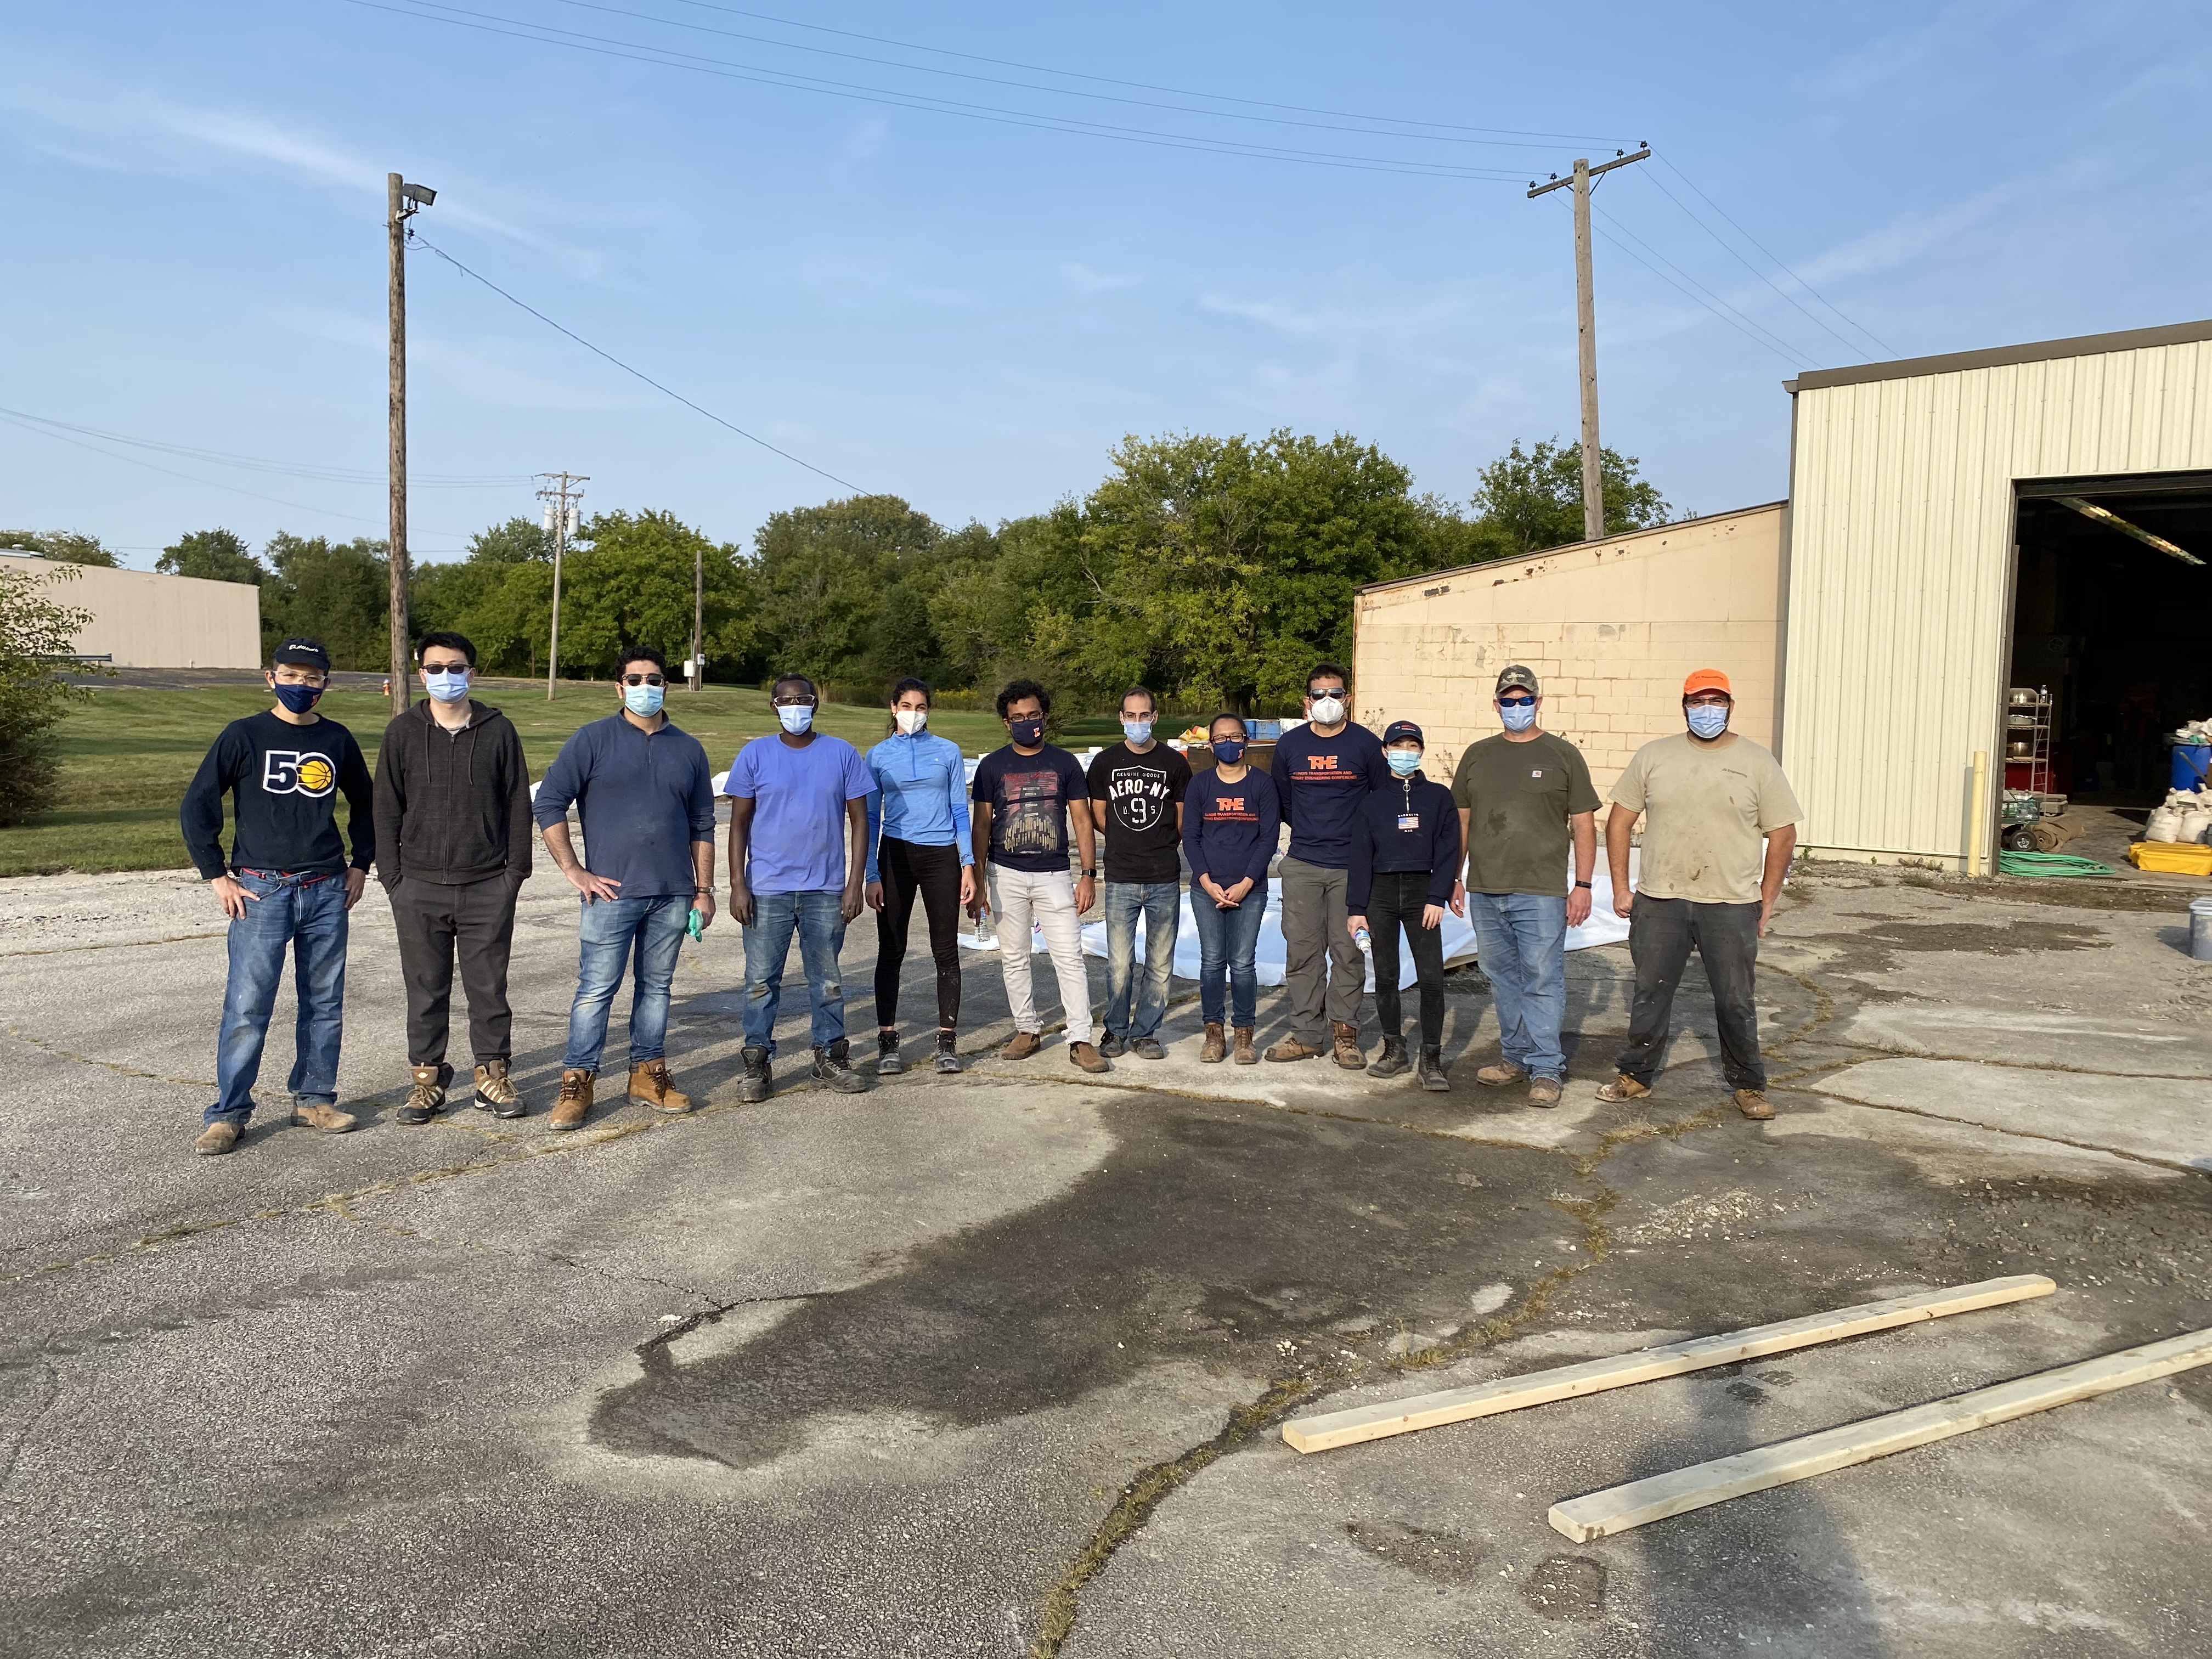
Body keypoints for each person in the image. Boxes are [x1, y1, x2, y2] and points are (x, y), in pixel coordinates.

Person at [179, 636, 373, 1155]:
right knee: (248, 1005)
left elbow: (367, 804)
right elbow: (199, 804)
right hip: (260, 890)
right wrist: (217, 875)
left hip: (327, 888)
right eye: (290, 675)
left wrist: (360, 865)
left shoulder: (337, 739)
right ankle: (229, 1113)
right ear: (271, 678)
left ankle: (314, 1100)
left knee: (324, 1002)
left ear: (326, 685)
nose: (300, 686)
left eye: (312, 679)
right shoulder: (244, 736)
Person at [1598, 668, 1802, 1120]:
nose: (1707, 711)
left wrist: (1766, 902)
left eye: (1716, 702)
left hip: (1730, 904)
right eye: (1697, 702)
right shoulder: (1654, 756)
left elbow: (1783, 834)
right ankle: (1636, 1075)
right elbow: (1618, 822)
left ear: (1730, 707)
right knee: (1651, 992)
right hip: (1660, 900)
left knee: (1735, 999)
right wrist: (1621, 888)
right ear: (1684, 705)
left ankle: (1749, 1084)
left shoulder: (1757, 761)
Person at [533, 645, 716, 1132]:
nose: (645, 688)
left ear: (666, 685)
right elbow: (549, 803)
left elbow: (703, 822)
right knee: (595, 990)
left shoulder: (689, 748)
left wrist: (705, 889)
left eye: (653, 679)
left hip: (674, 893)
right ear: (619, 688)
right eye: (634, 680)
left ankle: (646, 1074)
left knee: (656, 988)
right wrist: (575, 870)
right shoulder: (591, 740)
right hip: (610, 894)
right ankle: (578, 1080)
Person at [373, 630, 535, 1125]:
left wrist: (514, 875)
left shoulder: (498, 730)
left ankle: (492, 1075)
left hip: (488, 884)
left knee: (488, 988)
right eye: (437, 668)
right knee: (426, 988)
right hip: (418, 886)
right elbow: (385, 811)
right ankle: (427, 1082)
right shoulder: (402, 732)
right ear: (421, 674)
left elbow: (516, 806)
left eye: (457, 667)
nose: (447, 676)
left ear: (472, 672)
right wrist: (393, 880)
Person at [1448, 665, 1600, 1109]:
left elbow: (1584, 824)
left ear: (1538, 702)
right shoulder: (1478, 755)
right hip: (1486, 888)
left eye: (1525, 700)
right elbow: (1462, 821)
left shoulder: (1563, 755)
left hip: (1541, 892)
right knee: (1501, 977)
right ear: (1496, 705)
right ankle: (1515, 1057)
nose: (1517, 708)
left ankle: (1547, 1068)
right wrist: (1454, 878)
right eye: (1509, 701)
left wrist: (1584, 884)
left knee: (1542, 978)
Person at [727, 673, 874, 1102]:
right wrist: (738, 884)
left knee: (827, 981)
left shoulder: (842, 754)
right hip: (767, 888)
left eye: (803, 699)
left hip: (826, 889)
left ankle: (830, 1056)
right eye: (786, 700)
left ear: (815, 704)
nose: (796, 707)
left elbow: (861, 822)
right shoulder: (755, 755)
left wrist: (854, 884)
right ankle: (757, 1062)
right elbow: (737, 825)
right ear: (774, 706)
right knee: (760, 980)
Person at [967, 679, 1109, 1073]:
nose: (1026, 723)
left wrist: (1088, 874)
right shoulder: (991, 766)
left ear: (1044, 717)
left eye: (1032, 716)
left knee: (1070, 957)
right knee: (1014, 957)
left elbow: (1081, 820)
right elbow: (981, 826)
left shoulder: (1064, 763)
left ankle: (1081, 1037)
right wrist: (977, 881)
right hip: (1004, 873)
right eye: (1017, 718)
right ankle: (1027, 1029)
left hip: (1054, 874)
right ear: (1005, 723)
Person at [1267, 661, 1386, 1068]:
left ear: (1347, 699)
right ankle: (1306, 1035)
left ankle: (1345, 1035)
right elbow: (1284, 801)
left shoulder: (1366, 746)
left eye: (1335, 694)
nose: (1328, 701)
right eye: (1319, 695)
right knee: (1303, 954)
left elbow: (1380, 801)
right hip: (1302, 863)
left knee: (1348, 953)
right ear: (1307, 702)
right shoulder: (1290, 746)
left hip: (1352, 868)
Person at [865, 677, 975, 1077]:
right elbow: (869, 819)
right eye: (907, 706)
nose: (915, 713)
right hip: (894, 853)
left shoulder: (947, 751)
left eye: (922, 707)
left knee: (944, 949)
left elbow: (960, 811)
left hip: (941, 854)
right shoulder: (877, 756)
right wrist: (870, 874)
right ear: (894, 708)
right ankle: (888, 1041)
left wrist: (968, 865)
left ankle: (947, 1040)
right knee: (891, 949)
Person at [1345, 721, 1462, 1091]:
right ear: (1385, 751)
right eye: (1398, 745)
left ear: (1422, 751)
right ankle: (1394, 1048)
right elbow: (1360, 857)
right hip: (1380, 892)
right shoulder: (1373, 802)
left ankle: (1432, 1058)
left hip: (1421, 892)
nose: (1405, 752)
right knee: (1387, 975)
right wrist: (1356, 908)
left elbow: (1448, 850)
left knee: (1430, 977)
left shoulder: (1439, 797)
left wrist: (1437, 896)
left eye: (1413, 745)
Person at [1086, 685, 1191, 1060]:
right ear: (1121, 718)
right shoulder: (1104, 763)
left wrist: (1160, 842)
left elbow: (1181, 818)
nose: (1137, 722)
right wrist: (1121, 837)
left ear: (1155, 717)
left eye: (1144, 715)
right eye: (1130, 716)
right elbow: (1099, 815)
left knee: (1160, 963)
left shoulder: (1175, 763)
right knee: (1119, 963)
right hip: (1121, 874)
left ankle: (1146, 1032)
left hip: (1163, 874)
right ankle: (1114, 1031)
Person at [1182, 713, 1279, 1065]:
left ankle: (1243, 1034)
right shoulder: (1201, 784)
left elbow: (1269, 838)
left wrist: (1247, 883)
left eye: (1235, 737)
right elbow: (1190, 837)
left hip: (1249, 890)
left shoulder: (1263, 786)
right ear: (1210, 745)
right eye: (1220, 738)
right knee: (1212, 963)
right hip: (1206, 888)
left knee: (1241, 964)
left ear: (1246, 742)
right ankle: (1213, 1033)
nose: (1228, 743)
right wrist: (1206, 881)